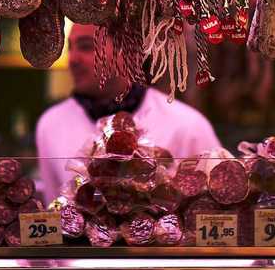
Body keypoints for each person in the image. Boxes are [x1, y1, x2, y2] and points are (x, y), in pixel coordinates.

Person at [36, 23, 221, 203]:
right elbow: (54, 213)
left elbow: (216, 210)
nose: (73, 59)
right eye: (70, 47)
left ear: (126, 49)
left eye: (86, 47)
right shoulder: (51, 124)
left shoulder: (187, 124)